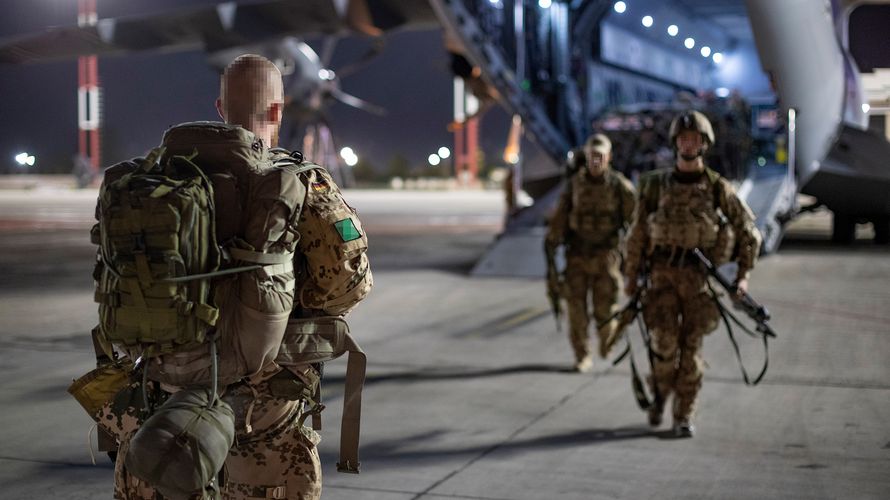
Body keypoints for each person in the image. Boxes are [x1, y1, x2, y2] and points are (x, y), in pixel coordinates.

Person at [97, 54, 372, 499]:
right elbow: (347, 287)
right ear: (278, 111)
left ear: (221, 108)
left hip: (158, 420)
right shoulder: (299, 184)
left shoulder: (150, 183)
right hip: (262, 423)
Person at [623, 110, 761, 438]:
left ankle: (683, 413)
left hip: (698, 282)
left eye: (694, 139)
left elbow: (748, 232)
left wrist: (742, 277)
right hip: (661, 278)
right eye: (683, 138)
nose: (688, 143)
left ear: (704, 144)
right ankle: (660, 389)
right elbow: (637, 232)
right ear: (675, 143)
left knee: (691, 351)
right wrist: (631, 276)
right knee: (664, 347)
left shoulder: (717, 188)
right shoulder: (655, 186)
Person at [545, 134, 636, 373]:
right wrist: (552, 243)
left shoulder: (620, 186)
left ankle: (607, 343)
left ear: (608, 158)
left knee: (605, 310)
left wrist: (636, 258)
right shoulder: (574, 185)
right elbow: (561, 216)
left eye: (600, 156)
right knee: (576, 311)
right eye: (591, 156)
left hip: (607, 258)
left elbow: (636, 223)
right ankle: (581, 354)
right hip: (577, 256)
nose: (595, 161)